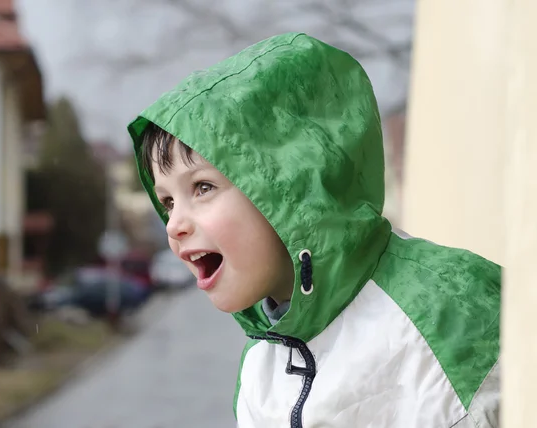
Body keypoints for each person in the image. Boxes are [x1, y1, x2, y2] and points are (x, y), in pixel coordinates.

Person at [127, 32, 500, 428]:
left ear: (290, 183)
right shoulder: (261, 369)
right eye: (167, 202)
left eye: (202, 188)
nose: (175, 225)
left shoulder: (451, 304)